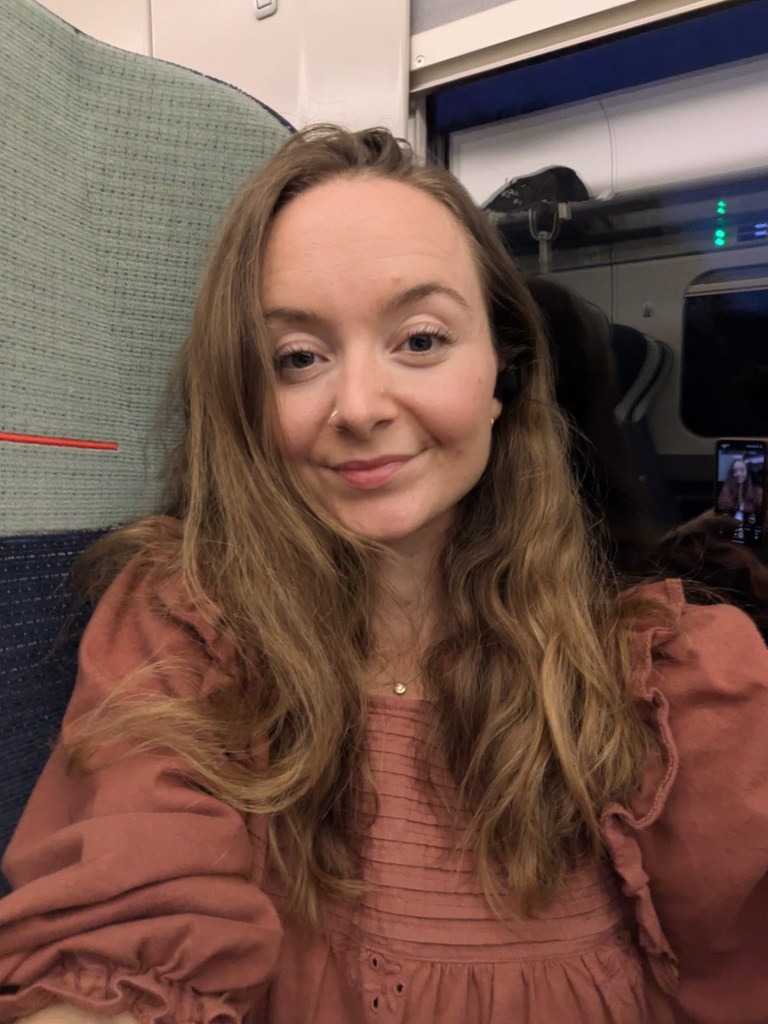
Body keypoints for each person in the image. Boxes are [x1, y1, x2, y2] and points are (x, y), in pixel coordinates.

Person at [1, 126, 767, 1024]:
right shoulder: (183, 633)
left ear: (502, 373)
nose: (360, 407)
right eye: (298, 358)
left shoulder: (679, 684)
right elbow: (118, 947)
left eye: (421, 339)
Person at [527, 273, 768, 639]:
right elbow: (595, 581)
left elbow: (609, 556)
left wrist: (682, 534)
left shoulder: (583, 473)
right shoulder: (553, 467)